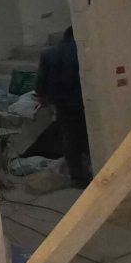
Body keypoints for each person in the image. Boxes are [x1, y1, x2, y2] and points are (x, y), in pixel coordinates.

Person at [36, 27, 92, 188]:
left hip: (63, 104)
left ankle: (78, 177)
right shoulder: (83, 50)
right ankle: (96, 169)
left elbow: (40, 83)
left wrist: (44, 99)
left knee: (70, 139)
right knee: (89, 137)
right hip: (85, 101)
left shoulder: (48, 54)